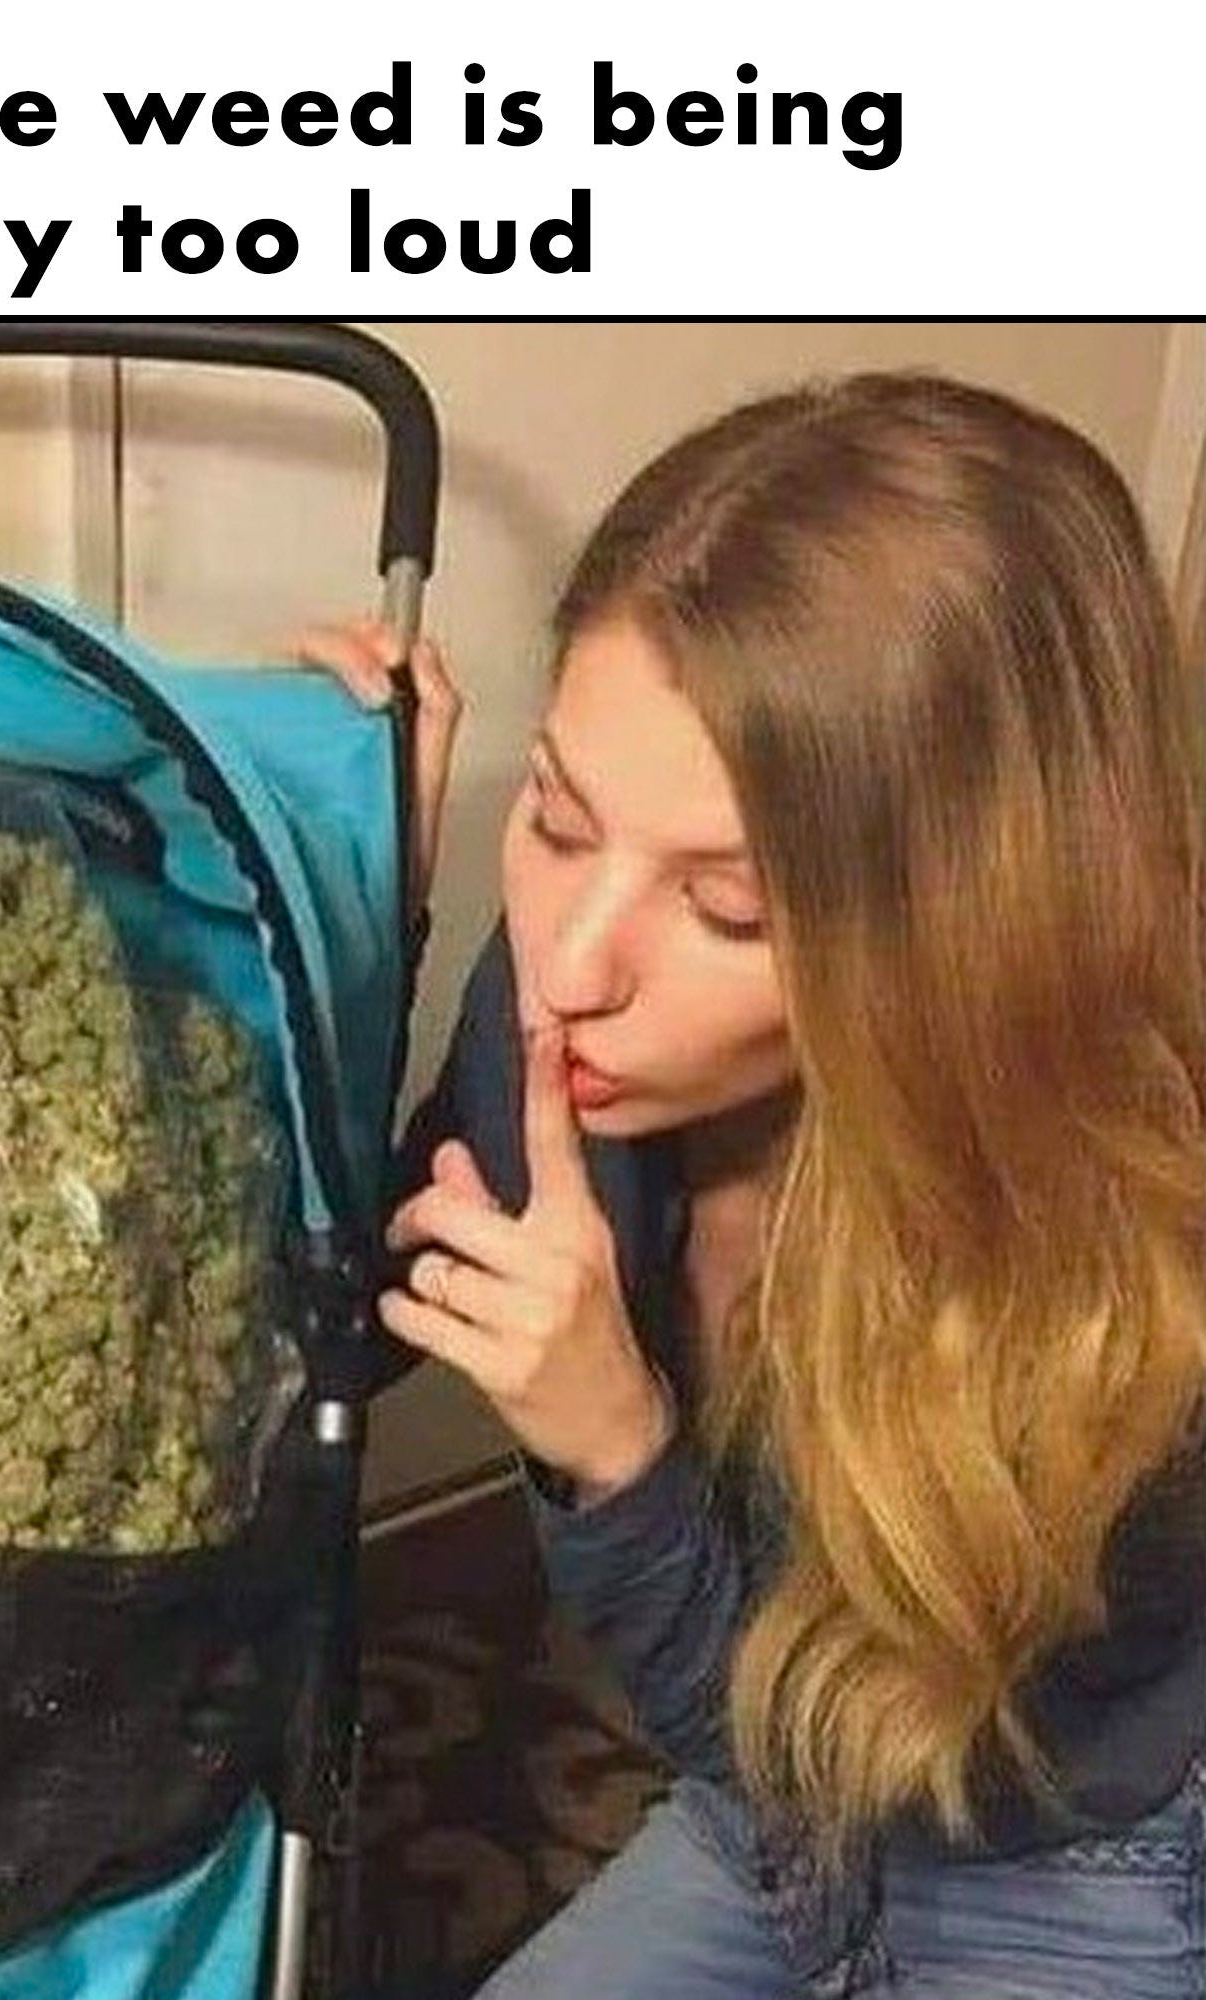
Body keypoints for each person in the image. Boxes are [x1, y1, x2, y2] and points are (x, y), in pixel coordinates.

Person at [298, 371, 1206, 1997]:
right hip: (757, 1779)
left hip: (1058, 1838)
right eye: (558, 818)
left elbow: (872, 1773)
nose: (571, 965)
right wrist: (357, 899)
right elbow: (345, 1326)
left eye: (726, 910)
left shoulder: (1145, 1260)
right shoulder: (567, 1014)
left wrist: (617, 1456)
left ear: (956, 941)